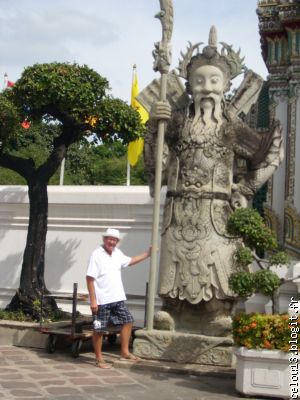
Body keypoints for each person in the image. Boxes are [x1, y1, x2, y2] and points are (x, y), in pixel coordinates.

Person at [144, 26, 284, 336]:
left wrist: (245, 187)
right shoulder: (178, 122)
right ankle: (170, 311)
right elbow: (157, 166)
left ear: (226, 86)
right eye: (199, 81)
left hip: (216, 210)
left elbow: (270, 155)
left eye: (214, 81)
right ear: (190, 87)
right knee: (175, 260)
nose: (206, 88)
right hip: (179, 206)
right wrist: (155, 125)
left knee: (216, 262)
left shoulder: (231, 127)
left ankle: (219, 313)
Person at [86, 228, 151, 368]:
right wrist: (93, 300)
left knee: (128, 320)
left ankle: (125, 352)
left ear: (117, 242)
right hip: (102, 300)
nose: (112, 242)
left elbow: (130, 261)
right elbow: (90, 278)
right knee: (99, 329)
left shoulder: (117, 253)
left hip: (117, 298)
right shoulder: (96, 254)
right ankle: (99, 358)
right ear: (104, 239)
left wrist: (147, 254)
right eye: (109, 239)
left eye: (114, 240)